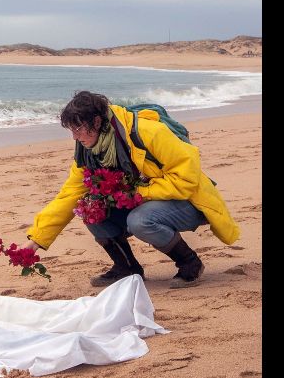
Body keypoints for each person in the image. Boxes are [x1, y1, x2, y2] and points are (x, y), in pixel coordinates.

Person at [23, 91, 239, 288]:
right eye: (71, 130)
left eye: (77, 129)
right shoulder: (88, 151)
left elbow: (187, 179)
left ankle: (190, 263)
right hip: (145, 201)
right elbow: (69, 194)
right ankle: (126, 268)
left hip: (188, 201)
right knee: (91, 210)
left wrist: (138, 194)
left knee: (140, 220)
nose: (74, 137)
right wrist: (36, 241)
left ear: (96, 121)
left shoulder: (147, 132)